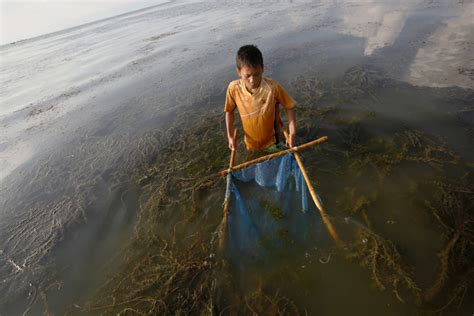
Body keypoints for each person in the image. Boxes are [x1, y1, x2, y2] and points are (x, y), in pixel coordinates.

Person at [224, 45, 296, 154]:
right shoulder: (233, 89)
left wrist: (292, 132)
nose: (252, 80)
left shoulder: (272, 88)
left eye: (257, 74)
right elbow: (229, 111)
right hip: (251, 144)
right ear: (238, 72)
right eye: (247, 76)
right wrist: (230, 136)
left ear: (262, 69)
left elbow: (289, 106)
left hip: (273, 142)